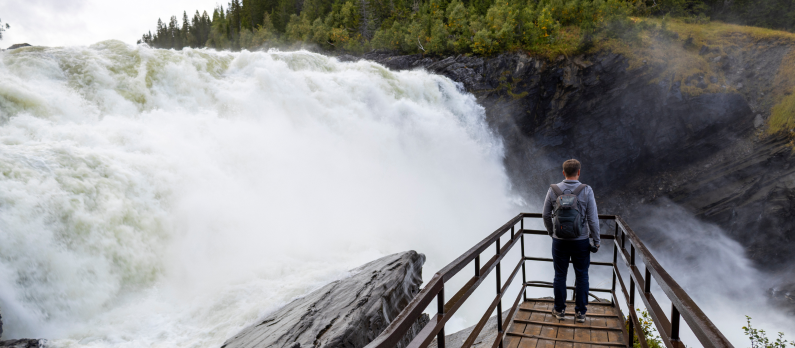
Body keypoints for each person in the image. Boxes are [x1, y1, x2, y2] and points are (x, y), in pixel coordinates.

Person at [542, 159, 600, 323]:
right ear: (579, 172)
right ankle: (580, 313)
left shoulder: (553, 190)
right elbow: (593, 219)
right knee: (582, 275)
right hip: (581, 241)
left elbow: (545, 215)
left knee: (560, 275)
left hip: (559, 241)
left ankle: (559, 310)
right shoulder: (586, 190)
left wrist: (552, 232)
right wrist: (596, 241)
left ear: (563, 172)